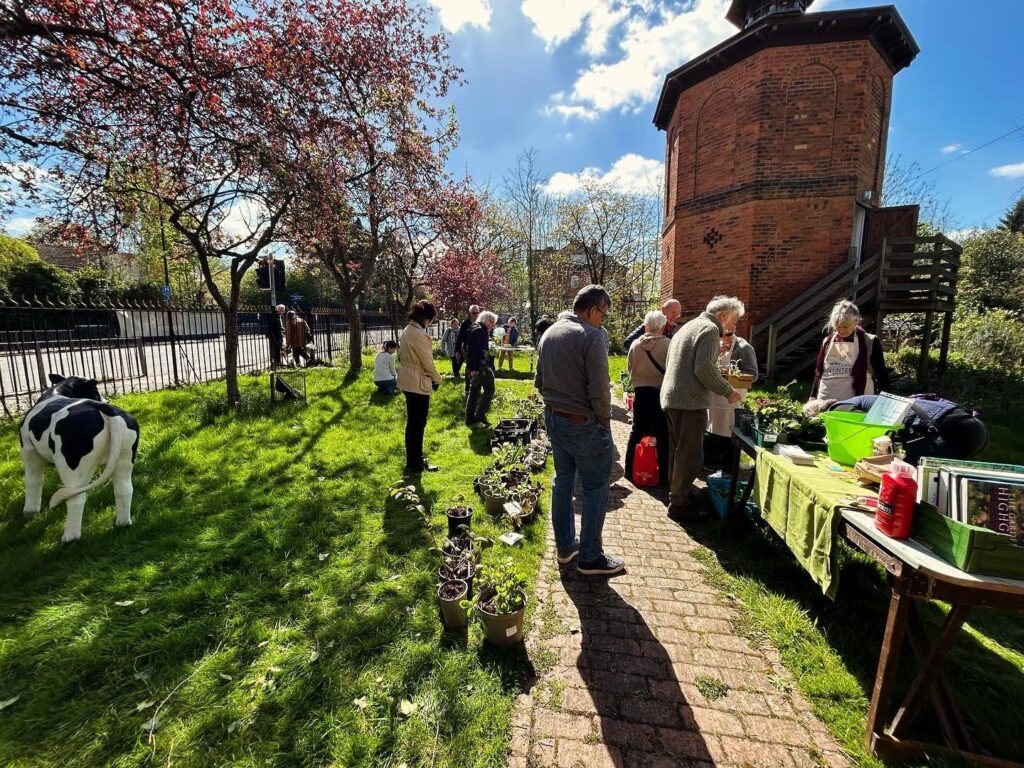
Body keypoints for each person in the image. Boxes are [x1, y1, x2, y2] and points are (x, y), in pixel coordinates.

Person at [535, 284, 623, 576]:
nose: (603, 320)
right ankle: (590, 557)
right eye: (604, 314)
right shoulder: (592, 335)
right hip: (583, 423)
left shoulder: (550, 332)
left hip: (554, 418)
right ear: (591, 309)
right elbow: (599, 389)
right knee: (596, 488)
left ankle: (565, 548)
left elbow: (538, 380)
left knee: (563, 481)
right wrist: (604, 422)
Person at [661, 296, 744, 517]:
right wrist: (728, 391)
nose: (731, 327)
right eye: (732, 321)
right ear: (723, 315)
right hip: (689, 402)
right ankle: (679, 504)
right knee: (690, 455)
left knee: (677, 452)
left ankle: (677, 493)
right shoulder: (709, 329)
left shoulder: (689, 326)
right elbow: (704, 369)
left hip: (672, 398)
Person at [810, 299, 890, 401]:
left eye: (845, 326)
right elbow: (819, 371)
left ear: (856, 322)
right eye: (838, 327)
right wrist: (812, 396)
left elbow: (881, 371)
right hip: (826, 397)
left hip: (858, 400)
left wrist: (885, 398)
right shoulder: (827, 341)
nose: (841, 330)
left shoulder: (870, 341)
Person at [625, 310, 671, 486]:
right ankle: (662, 473)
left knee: (637, 430)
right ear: (662, 326)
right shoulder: (668, 344)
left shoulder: (635, 345)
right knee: (661, 432)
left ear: (646, 326)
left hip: (640, 391)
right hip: (659, 392)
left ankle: (629, 469)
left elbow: (630, 368)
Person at [397, 300, 444, 474]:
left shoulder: (409, 329)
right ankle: (414, 463)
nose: (430, 323)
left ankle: (415, 459)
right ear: (426, 318)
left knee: (414, 423)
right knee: (417, 424)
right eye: (431, 319)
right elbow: (427, 363)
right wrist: (438, 379)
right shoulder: (418, 334)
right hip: (416, 382)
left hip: (408, 380)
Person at [705, 329, 758, 469]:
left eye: (726, 335)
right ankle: (712, 460)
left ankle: (729, 464)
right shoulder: (715, 345)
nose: (723, 339)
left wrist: (732, 376)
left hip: (733, 397)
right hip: (715, 398)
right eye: (721, 336)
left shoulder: (744, 347)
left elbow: (753, 374)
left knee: (730, 430)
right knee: (713, 428)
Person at [466, 310, 498, 427]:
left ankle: (470, 418)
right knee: (489, 389)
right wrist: (474, 368)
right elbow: (473, 351)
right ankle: (480, 414)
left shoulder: (475, 328)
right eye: (493, 322)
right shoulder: (480, 330)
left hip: (476, 366)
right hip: (480, 366)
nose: (493, 325)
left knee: (474, 391)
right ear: (487, 321)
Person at [453, 304, 480, 379]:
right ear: (470, 313)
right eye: (473, 313)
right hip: (467, 349)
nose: (476, 315)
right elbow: (460, 338)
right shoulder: (465, 324)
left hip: (478, 349)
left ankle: (475, 382)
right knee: (469, 366)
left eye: (477, 313)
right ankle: (468, 385)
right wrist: (457, 351)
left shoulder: (481, 323)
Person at [265, 304, 286, 369]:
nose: (283, 310)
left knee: (279, 349)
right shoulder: (274, 316)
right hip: (274, 335)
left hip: (279, 335)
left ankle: (278, 362)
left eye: (283, 309)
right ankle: (274, 363)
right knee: (274, 349)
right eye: (281, 309)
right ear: (277, 309)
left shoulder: (280, 316)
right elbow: (272, 327)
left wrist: (282, 328)